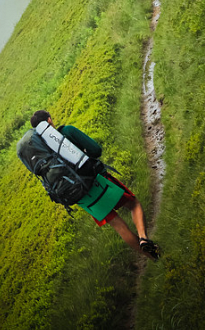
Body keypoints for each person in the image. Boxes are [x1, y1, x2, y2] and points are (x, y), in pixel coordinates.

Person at [28, 110, 160, 260]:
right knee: (133, 204)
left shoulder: (44, 155)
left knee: (120, 227)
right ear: (49, 120)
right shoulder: (67, 131)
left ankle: (154, 257)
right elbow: (96, 150)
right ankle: (143, 238)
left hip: (83, 198)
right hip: (98, 181)